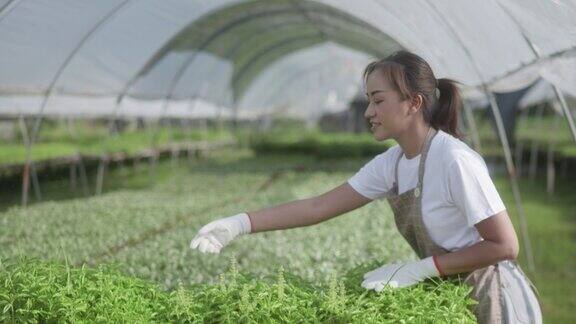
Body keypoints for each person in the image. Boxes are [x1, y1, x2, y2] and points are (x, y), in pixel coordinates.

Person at [190, 50, 542, 323]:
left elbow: (505, 245)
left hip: (489, 296)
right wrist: (240, 223)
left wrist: (422, 268)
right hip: (449, 292)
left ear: (414, 102)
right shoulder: (393, 163)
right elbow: (318, 207)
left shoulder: (453, 160)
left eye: (378, 100)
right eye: (369, 101)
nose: (368, 111)